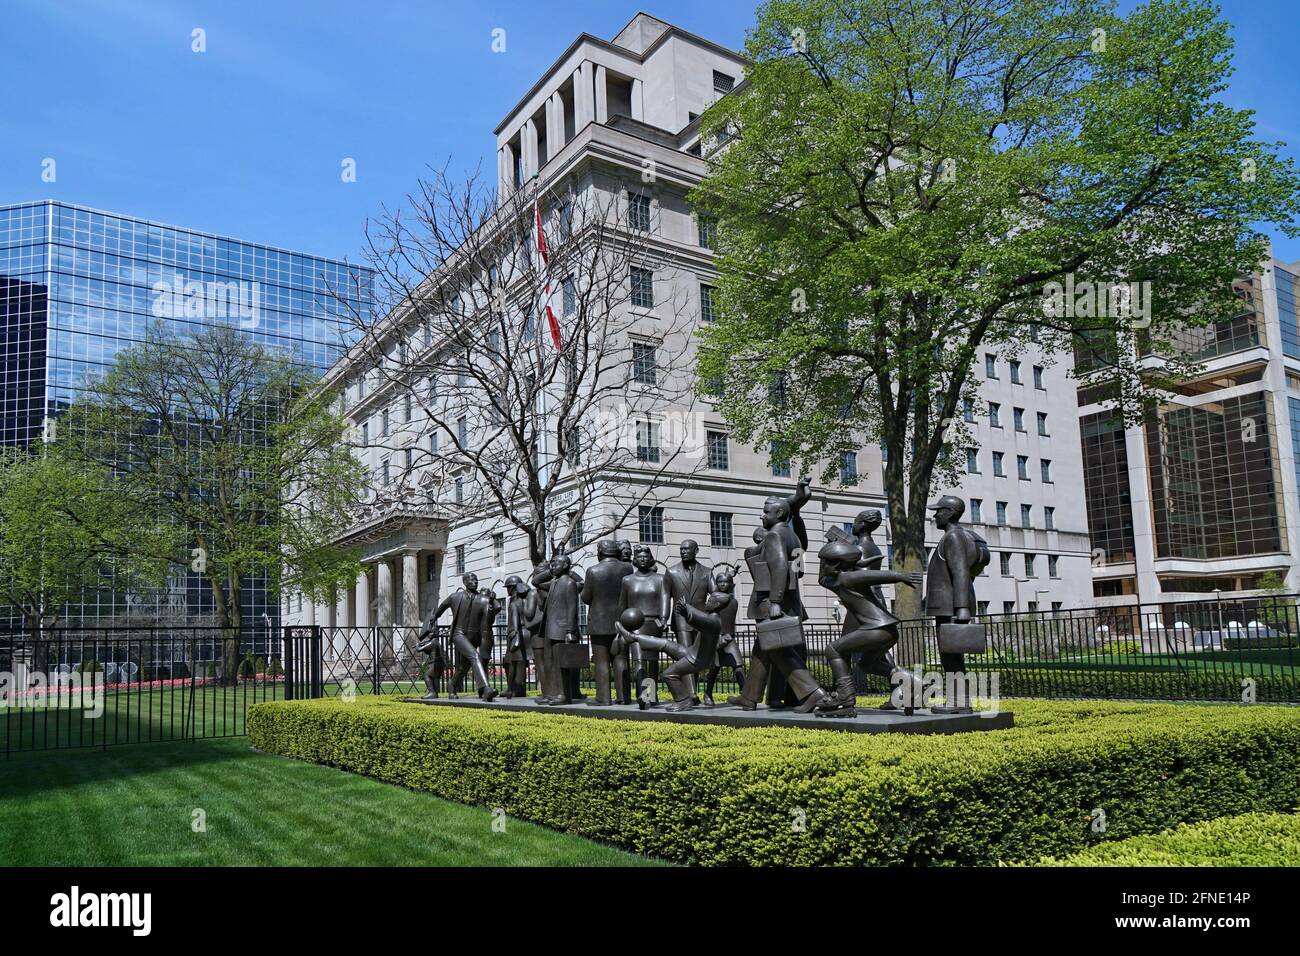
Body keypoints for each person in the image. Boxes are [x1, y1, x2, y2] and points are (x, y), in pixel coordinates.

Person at [729, 486, 829, 713]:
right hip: (789, 600)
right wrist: (799, 497)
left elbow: (780, 567)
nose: (762, 516)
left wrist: (775, 601)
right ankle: (749, 697)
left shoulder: (774, 535)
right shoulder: (791, 535)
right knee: (762, 649)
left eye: (766, 512)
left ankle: (813, 693)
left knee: (777, 649)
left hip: (773, 602)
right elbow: (797, 567)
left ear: (779, 515)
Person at [815, 539, 923, 715]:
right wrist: (839, 557)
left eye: (825, 561)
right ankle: (911, 680)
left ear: (835, 564)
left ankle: (845, 696)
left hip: (877, 629)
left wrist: (901, 576)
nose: (822, 565)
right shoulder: (837, 580)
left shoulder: (847, 578)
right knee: (867, 664)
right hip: (886, 630)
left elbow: (875, 575)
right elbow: (822, 579)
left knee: (832, 650)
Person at [616, 587, 736, 712]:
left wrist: (687, 612)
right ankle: (632, 637)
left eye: (709, 600)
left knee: (668, 674)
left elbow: (699, 621)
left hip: (696, 660)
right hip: (690, 652)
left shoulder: (713, 621)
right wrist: (687, 609)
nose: (707, 602)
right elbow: (700, 619)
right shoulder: (712, 617)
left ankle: (683, 700)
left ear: (716, 604)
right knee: (665, 643)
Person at [925, 495, 987, 713]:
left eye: (939, 511)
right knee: (951, 657)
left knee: (951, 657)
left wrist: (962, 608)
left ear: (950, 513)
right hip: (948, 606)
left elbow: (960, 571)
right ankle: (959, 702)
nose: (935, 515)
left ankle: (958, 702)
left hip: (951, 608)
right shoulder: (956, 536)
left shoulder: (953, 537)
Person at [617, 546, 672, 707]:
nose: (642, 559)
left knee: (653, 661)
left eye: (645, 556)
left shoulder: (660, 579)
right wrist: (620, 624)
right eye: (639, 556)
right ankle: (643, 695)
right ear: (634, 559)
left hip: (654, 623)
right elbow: (622, 605)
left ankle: (652, 695)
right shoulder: (627, 580)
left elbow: (665, 600)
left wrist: (663, 619)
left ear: (650, 559)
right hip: (635, 625)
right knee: (639, 660)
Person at [431, 573, 499, 701]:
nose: (475, 582)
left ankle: (451, 685)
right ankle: (486, 689)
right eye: (472, 580)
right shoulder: (455, 597)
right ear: (465, 582)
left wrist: (491, 602)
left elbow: (489, 619)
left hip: (474, 636)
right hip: (459, 634)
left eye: (476, 580)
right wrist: (434, 617)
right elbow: (442, 607)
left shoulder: (482, 599)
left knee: (463, 667)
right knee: (475, 656)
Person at [582, 540, 634, 705]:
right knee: (621, 659)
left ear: (600, 552)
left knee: (602, 661)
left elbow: (586, 597)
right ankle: (624, 697)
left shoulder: (593, 571)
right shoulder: (627, 568)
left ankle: (603, 698)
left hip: (599, 622)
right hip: (621, 620)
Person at [531, 554, 586, 705]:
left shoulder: (568, 583)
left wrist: (570, 631)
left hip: (561, 630)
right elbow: (535, 581)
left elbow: (572, 609)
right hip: (550, 629)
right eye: (552, 563)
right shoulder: (555, 582)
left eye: (556, 564)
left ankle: (564, 695)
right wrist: (550, 571)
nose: (552, 566)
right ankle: (552, 693)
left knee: (561, 664)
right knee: (550, 663)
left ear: (566, 566)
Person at [701, 564, 744, 706]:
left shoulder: (734, 602)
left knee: (738, 666)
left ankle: (745, 695)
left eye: (726, 582)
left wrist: (731, 574)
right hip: (716, 638)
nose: (723, 584)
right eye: (720, 582)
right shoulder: (714, 599)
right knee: (714, 668)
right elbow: (707, 614)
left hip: (730, 638)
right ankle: (707, 693)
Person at [502, 576, 531, 698]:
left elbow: (515, 620)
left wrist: (514, 634)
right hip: (527, 633)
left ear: (513, 588)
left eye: (508, 587)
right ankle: (515, 688)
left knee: (514, 663)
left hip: (517, 633)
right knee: (518, 663)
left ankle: (514, 689)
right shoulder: (527, 600)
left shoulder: (514, 602)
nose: (507, 590)